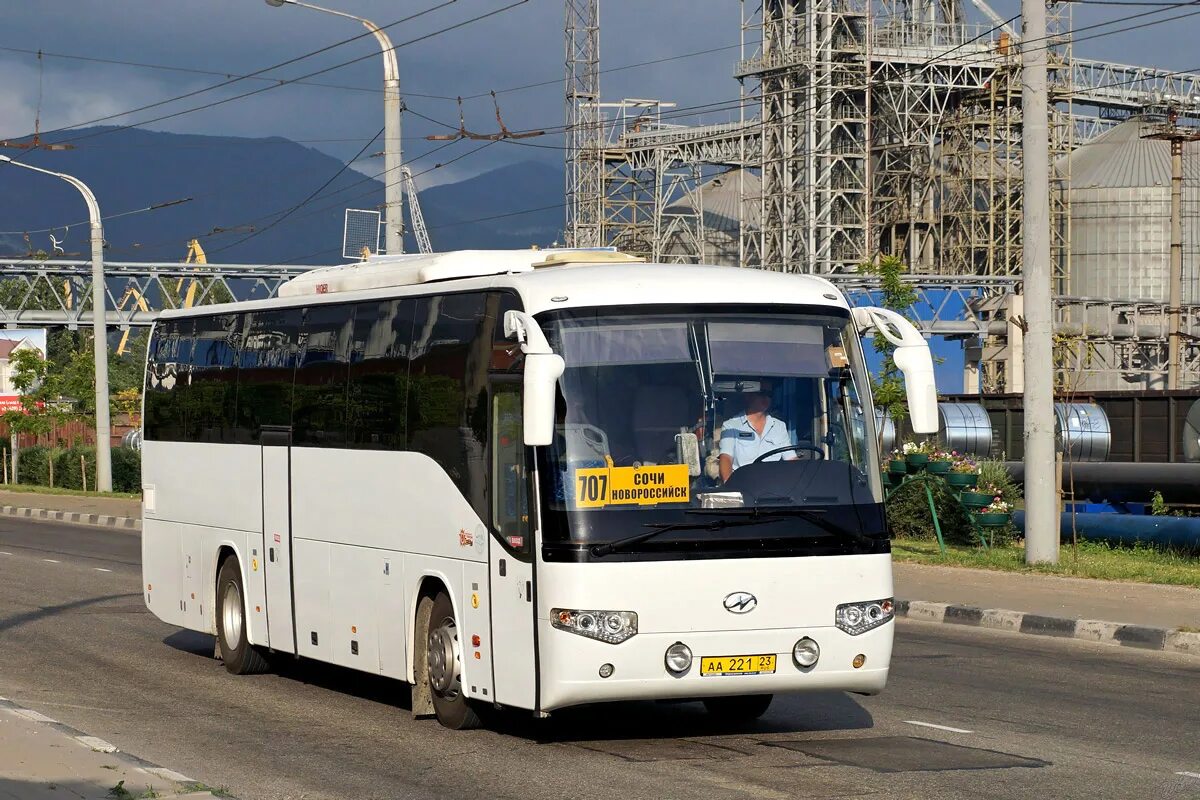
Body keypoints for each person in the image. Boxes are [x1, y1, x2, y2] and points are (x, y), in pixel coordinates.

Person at [718, 379, 797, 482]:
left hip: (774, 488)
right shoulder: (731, 426)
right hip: (743, 486)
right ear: (748, 395)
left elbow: (791, 460)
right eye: (761, 393)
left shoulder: (779, 426)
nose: (766, 397)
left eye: (769, 394)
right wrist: (730, 488)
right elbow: (726, 459)